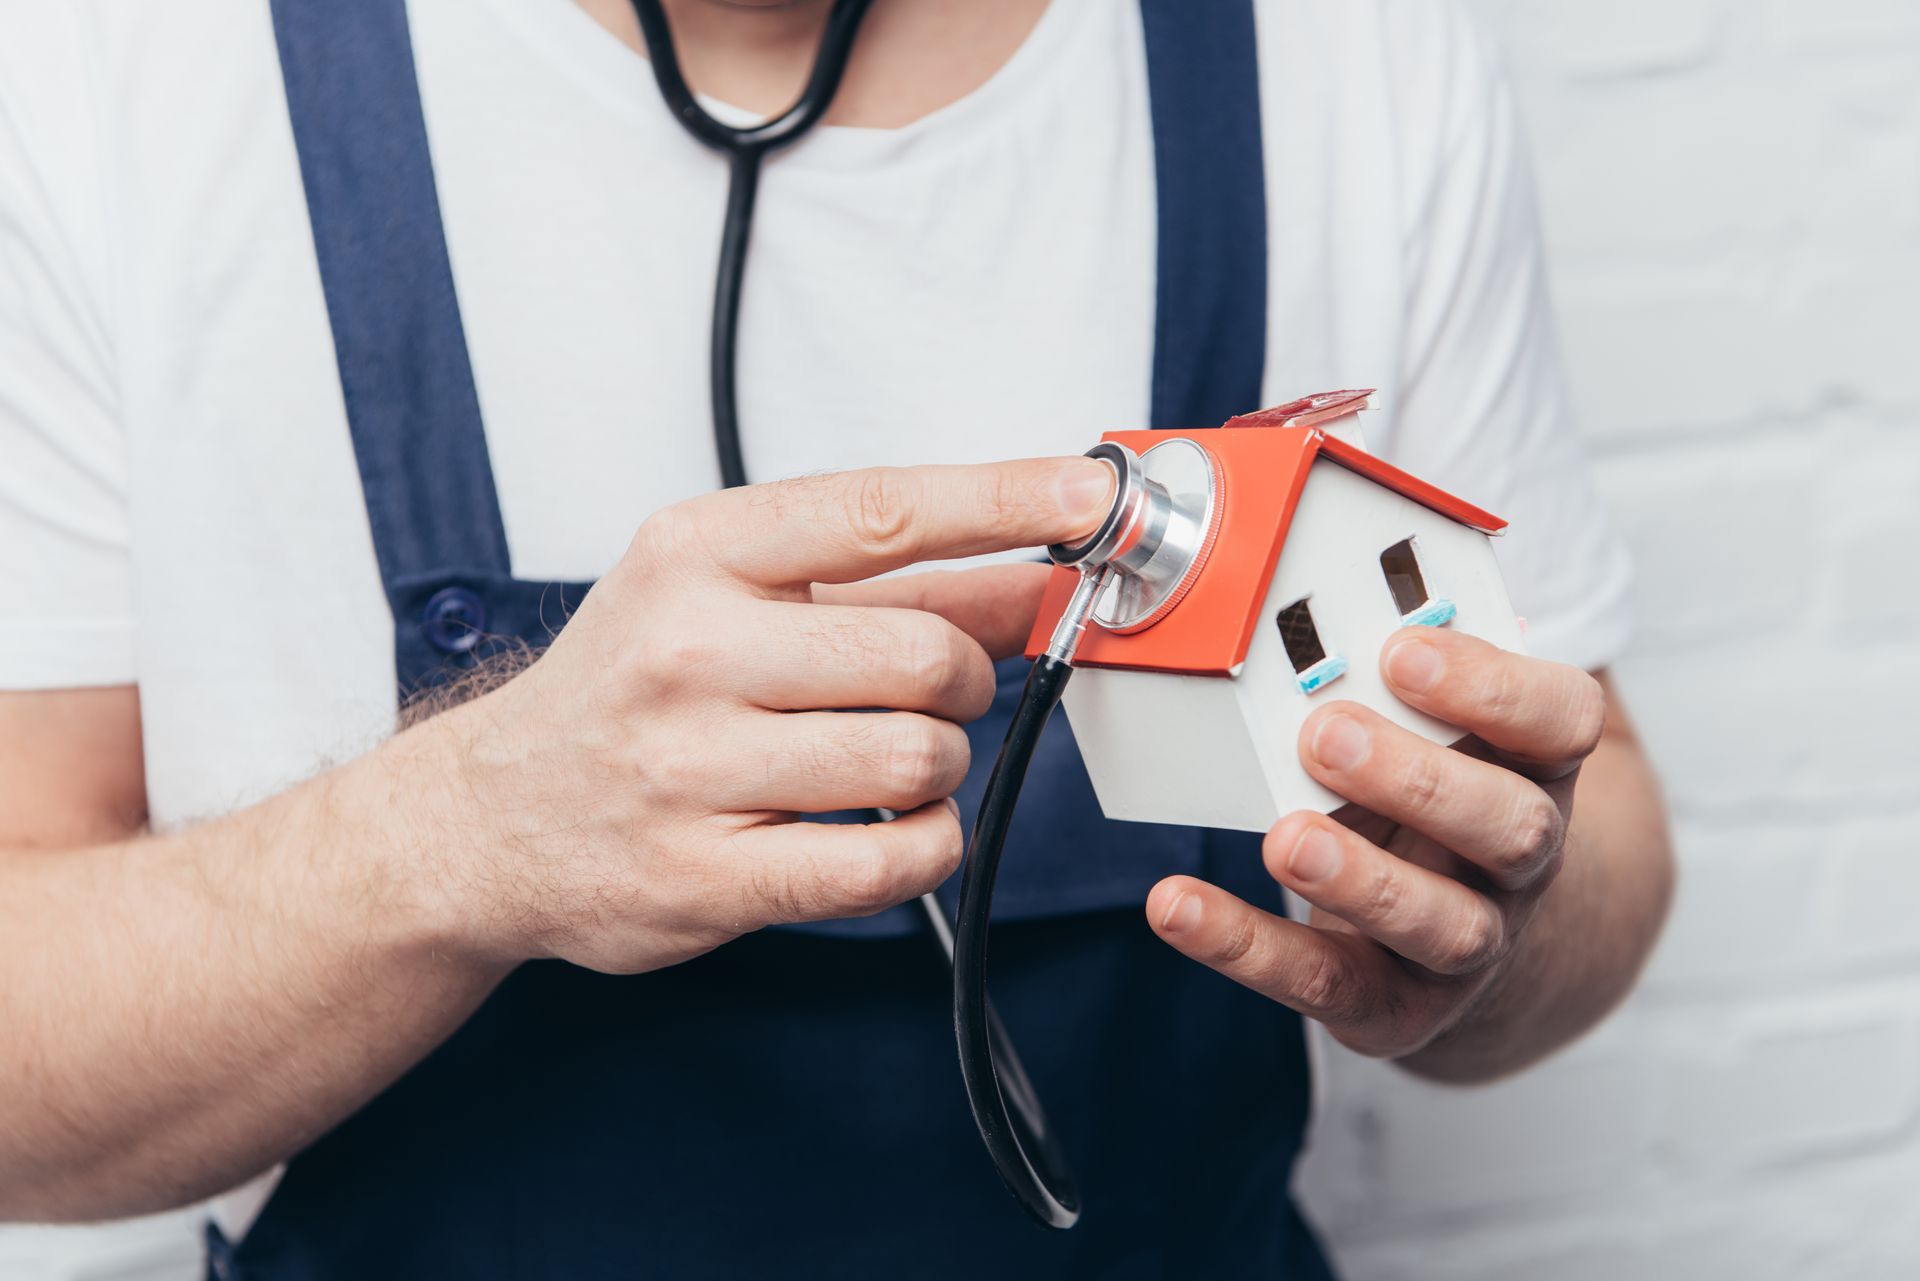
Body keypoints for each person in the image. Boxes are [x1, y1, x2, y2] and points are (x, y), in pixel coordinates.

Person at [0, 0, 1674, 1276]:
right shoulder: (110, 83)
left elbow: (1596, 841)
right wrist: (461, 831)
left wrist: (1486, 933)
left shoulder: (1346, 58)